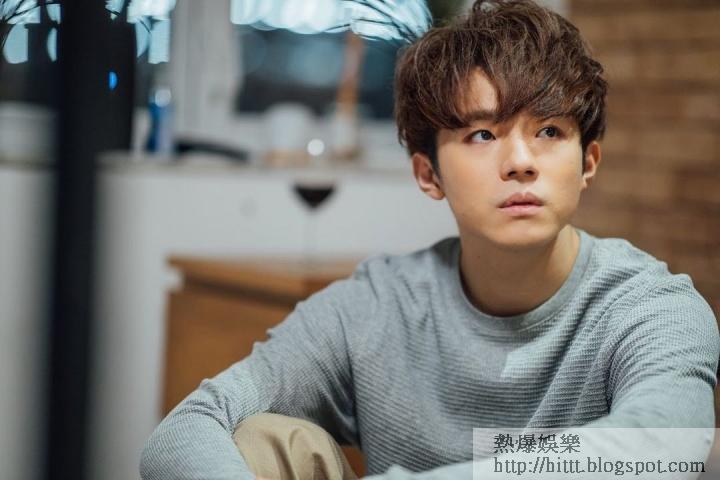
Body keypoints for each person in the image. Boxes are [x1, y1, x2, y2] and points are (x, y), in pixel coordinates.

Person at [140, 1, 719, 479]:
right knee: (264, 439)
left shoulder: (649, 306)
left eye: (548, 130)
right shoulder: (376, 307)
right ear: (428, 174)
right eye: (483, 134)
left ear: (587, 161)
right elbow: (185, 430)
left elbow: (666, 447)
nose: (520, 162)